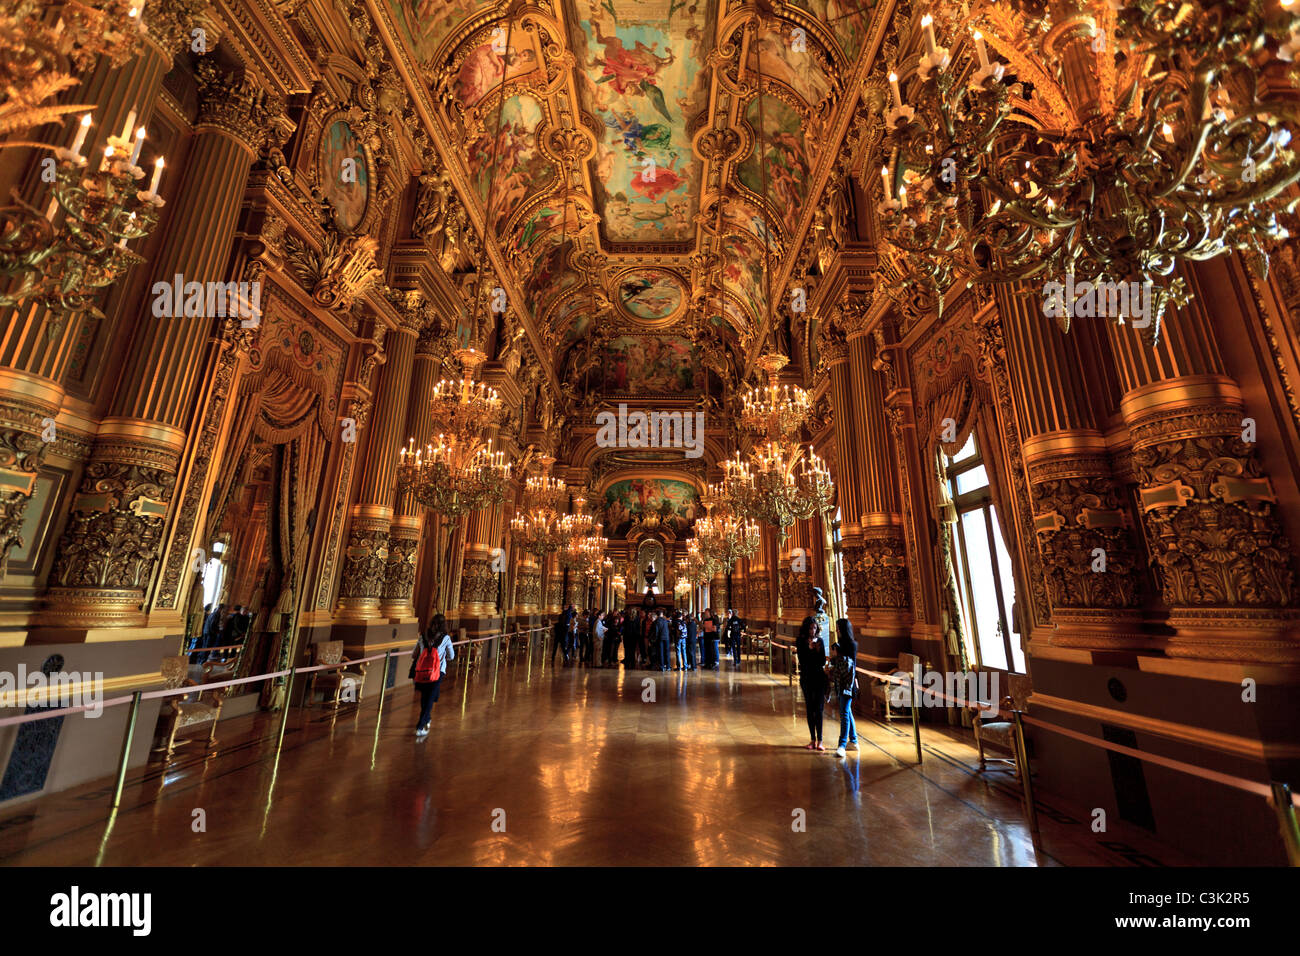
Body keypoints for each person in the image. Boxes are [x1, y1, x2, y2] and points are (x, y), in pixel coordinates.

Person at [410, 614, 455, 737]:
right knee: (430, 697)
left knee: (425, 696)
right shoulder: (445, 638)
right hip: (437, 671)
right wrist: (442, 656)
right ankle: (420, 725)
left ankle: (427, 717)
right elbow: (451, 656)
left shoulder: (423, 636)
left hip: (422, 671)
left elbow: (414, 655)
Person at [827, 620, 858, 757]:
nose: (837, 631)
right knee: (847, 711)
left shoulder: (851, 645)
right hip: (840, 681)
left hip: (847, 683)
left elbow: (850, 665)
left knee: (844, 712)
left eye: (839, 629)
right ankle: (854, 741)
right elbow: (836, 662)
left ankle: (842, 745)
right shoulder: (840, 645)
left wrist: (837, 655)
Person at [796, 612, 828, 750]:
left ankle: (820, 740)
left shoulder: (820, 641)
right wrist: (809, 650)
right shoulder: (800, 641)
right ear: (806, 629)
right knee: (810, 709)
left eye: (814, 628)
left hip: (819, 678)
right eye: (810, 628)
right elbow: (802, 660)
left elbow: (821, 661)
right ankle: (812, 739)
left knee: (819, 709)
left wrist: (816, 650)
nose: (812, 631)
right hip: (806, 678)